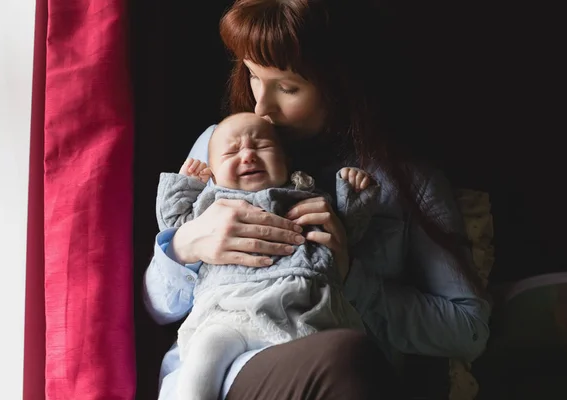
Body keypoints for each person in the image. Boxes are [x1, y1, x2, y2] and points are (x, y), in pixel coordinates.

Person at [143, 1, 491, 399]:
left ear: (340, 85)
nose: (261, 106)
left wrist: (348, 276)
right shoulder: (221, 147)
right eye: (253, 76)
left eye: (287, 88)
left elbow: (469, 330)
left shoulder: (404, 183)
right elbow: (157, 305)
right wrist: (187, 243)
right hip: (223, 372)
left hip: (337, 371)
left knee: (343, 354)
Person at [154, 112, 376, 400]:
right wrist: (186, 185)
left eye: (262, 147)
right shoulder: (210, 206)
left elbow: (347, 231)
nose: (247, 156)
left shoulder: (308, 197)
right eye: (232, 151)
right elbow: (173, 222)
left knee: (325, 362)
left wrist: (356, 194)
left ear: (287, 161)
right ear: (214, 174)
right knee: (205, 351)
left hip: (300, 309)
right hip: (230, 310)